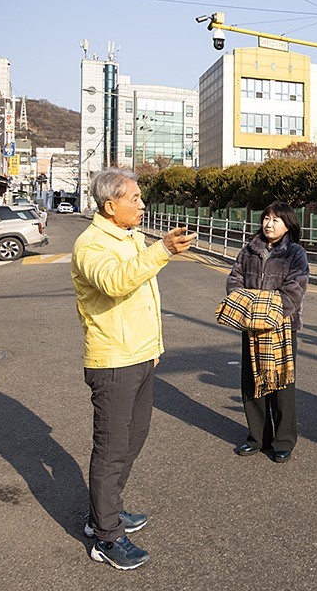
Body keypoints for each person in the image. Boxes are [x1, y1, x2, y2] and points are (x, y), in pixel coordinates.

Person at [71, 168, 192, 570]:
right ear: (110, 206)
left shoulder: (129, 237)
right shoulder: (91, 245)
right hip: (113, 361)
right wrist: (162, 250)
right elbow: (116, 283)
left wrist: (154, 348)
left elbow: (145, 296)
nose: (143, 204)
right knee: (111, 448)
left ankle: (105, 512)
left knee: (134, 438)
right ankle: (105, 536)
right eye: (135, 198)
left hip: (141, 356)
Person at [226, 201, 309, 463]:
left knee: (281, 383)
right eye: (266, 218)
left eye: (276, 220)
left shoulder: (295, 253)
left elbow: (295, 289)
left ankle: (283, 440)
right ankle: (257, 437)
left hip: (282, 326)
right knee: (252, 381)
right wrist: (250, 308)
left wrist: (266, 310)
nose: (269, 224)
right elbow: (234, 280)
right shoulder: (248, 251)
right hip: (252, 326)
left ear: (288, 225)